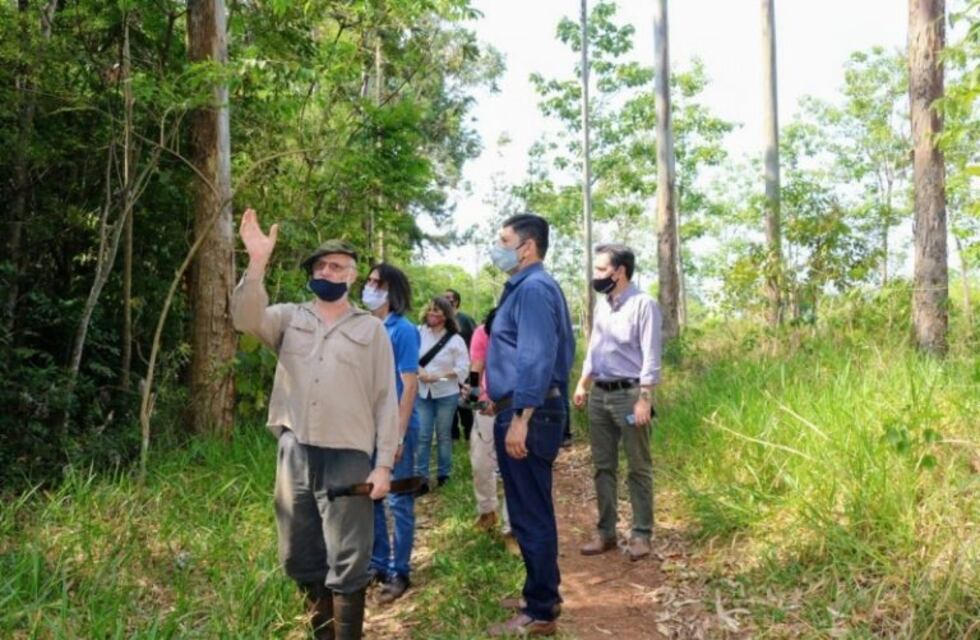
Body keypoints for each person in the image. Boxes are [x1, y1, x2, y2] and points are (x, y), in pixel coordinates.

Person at [231, 209, 398, 640]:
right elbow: (245, 319)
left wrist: (383, 466)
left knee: (348, 558)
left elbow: (386, 402)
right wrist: (256, 262)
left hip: (348, 457)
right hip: (295, 452)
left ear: (353, 275)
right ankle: (320, 632)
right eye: (321, 266)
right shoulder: (288, 317)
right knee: (299, 555)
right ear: (311, 273)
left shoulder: (371, 330)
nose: (328, 271)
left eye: (337, 266)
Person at [485, 214, 574, 638]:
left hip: (529, 413)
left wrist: (521, 416)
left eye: (503, 240)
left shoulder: (535, 288)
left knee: (531, 512)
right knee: (524, 510)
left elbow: (537, 357)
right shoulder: (525, 289)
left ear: (527, 246)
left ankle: (541, 610)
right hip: (520, 408)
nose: (497, 247)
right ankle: (538, 593)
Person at [573, 244, 662, 562]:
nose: (596, 276)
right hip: (600, 393)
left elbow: (651, 357)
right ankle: (606, 532)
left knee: (638, 466)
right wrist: (583, 383)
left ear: (619, 271)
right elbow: (594, 350)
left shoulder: (644, 305)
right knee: (602, 467)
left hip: (630, 394)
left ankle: (641, 533)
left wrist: (644, 400)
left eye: (600, 270)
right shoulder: (603, 306)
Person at [362, 263, 420, 604]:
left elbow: (409, 386)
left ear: (392, 289)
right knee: (371, 495)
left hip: (397, 429)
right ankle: (378, 562)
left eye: (377, 282)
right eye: (368, 281)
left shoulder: (403, 330)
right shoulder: (367, 327)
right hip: (365, 428)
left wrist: (397, 436)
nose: (369, 287)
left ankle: (400, 571)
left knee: (399, 501)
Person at [463, 310, 518, 555]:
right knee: (481, 463)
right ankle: (487, 511)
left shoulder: (525, 331)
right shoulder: (482, 333)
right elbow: (476, 368)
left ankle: (511, 529)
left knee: (513, 469)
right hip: (487, 406)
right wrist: (477, 399)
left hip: (516, 406)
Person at [414, 295, 469, 489]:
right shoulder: (418, 332)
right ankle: (421, 478)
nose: (431, 313)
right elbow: (409, 355)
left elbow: (462, 370)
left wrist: (438, 377)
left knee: (444, 434)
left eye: (436, 310)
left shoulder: (456, 340)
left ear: (445, 315)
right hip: (422, 393)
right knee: (423, 435)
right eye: (429, 309)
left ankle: (444, 475)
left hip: (447, 393)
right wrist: (420, 371)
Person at [444, 288, 476, 441]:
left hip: (468, 369)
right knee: (450, 403)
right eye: (444, 297)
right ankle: (453, 437)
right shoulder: (442, 321)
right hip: (447, 371)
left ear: (456, 301)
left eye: (449, 297)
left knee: (467, 404)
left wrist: (473, 369)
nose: (446, 300)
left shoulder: (466, 320)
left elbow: (476, 344)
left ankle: (471, 435)